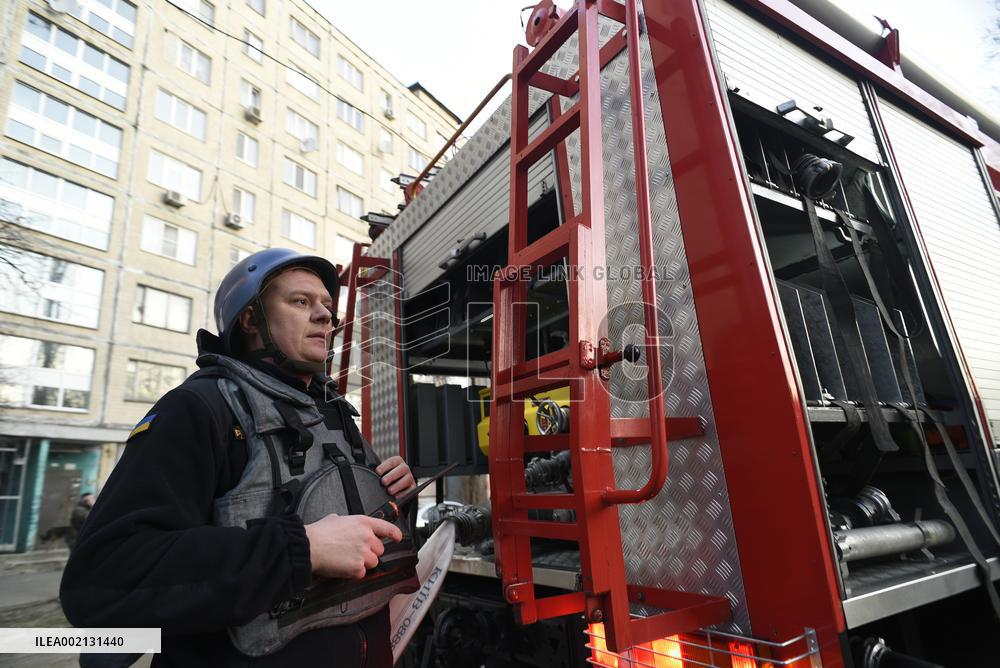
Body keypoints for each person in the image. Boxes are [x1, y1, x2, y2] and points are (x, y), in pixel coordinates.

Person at [61, 249, 419, 667]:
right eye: (301, 302)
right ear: (250, 321)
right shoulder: (198, 409)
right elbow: (103, 579)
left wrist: (392, 494)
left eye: (326, 305)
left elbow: (356, 541)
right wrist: (298, 550)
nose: (325, 316)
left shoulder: (332, 410)